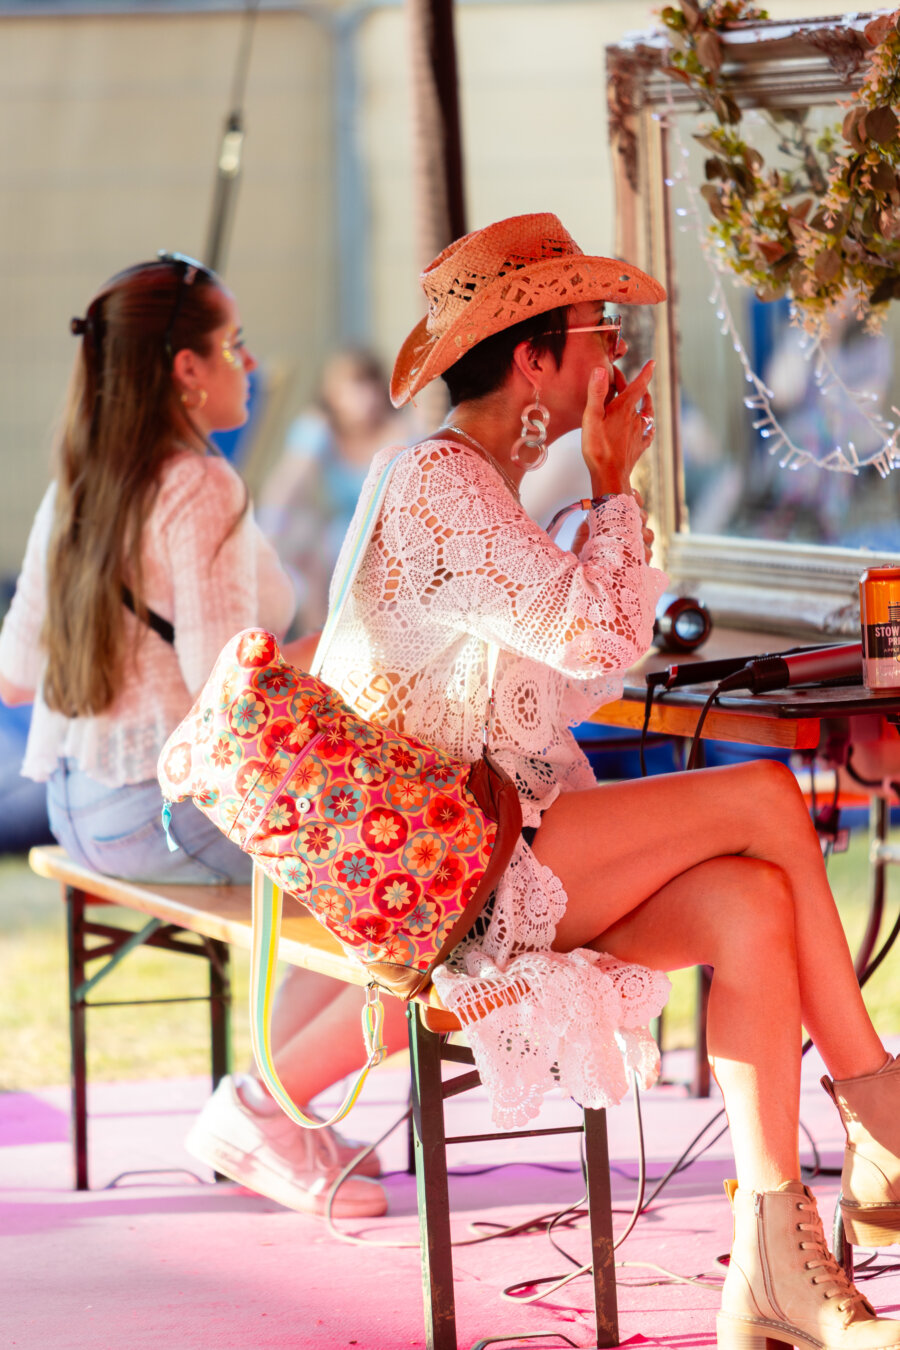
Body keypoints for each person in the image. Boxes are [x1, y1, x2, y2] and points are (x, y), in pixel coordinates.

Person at [304, 212, 900, 1348]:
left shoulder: (463, 485)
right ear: (534, 358)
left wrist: (597, 510)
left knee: (755, 898)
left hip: (486, 848)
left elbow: (551, 688)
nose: (613, 357)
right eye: (597, 330)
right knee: (768, 799)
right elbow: (589, 640)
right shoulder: (440, 486)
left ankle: (774, 1264)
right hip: (453, 881)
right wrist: (615, 483)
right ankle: (879, 1104)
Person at [0, 253, 387, 1219]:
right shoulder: (196, 486)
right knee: (405, 877)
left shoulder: (82, 481)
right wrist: (357, 648)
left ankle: (279, 1105)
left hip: (78, 804)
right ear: (186, 369)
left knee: (359, 845)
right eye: (234, 345)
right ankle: (269, 1106)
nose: (249, 364)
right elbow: (236, 692)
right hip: (165, 814)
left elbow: (15, 670)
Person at [257, 347, 413, 633]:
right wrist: (267, 538)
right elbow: (287, 485)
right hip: (338, 537)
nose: (365, 396)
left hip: (393, 535)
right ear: (331, 394)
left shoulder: (400, 431)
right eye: (353, 385)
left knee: (334, 542)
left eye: (370, 383)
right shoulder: (320, 429)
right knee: (307, 534)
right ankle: (317, 644)